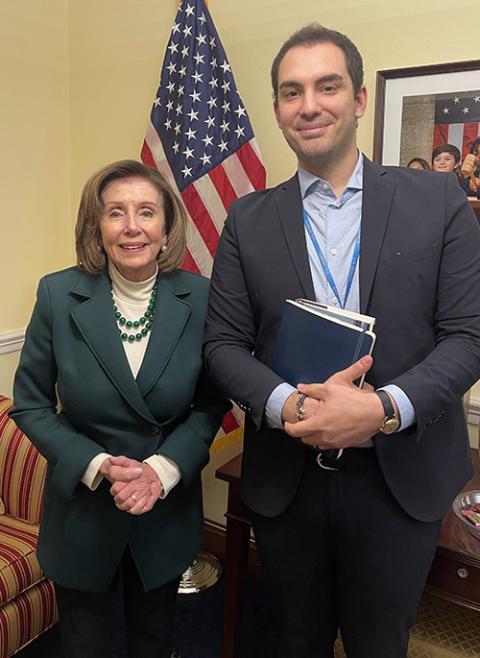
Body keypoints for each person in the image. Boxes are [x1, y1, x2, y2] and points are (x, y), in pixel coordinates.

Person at [204, 24, 480, 658]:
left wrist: (382, 410)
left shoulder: (439, 200)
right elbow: (222, 345)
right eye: (291, 91)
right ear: (276, 109)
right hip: (288, 478)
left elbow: (467, 337)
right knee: (296, 638)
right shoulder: (246, 219)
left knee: (379, 642)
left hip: (398, 474)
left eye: (327, 86)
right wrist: (289, 406)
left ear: (358, 99)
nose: (309, 105)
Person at [11, 160, 229, 658]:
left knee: (154, 640)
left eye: (146, 212)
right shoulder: (57, 294)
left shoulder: (201, 297)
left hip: (164, 508)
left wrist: (162, 468)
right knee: (84, 644)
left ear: (167, 226)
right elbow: (31, 404)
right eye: (116, 213)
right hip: (85, 511)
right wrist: (97, 464)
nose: (132, 226)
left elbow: (212, 402)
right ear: (97, 226)